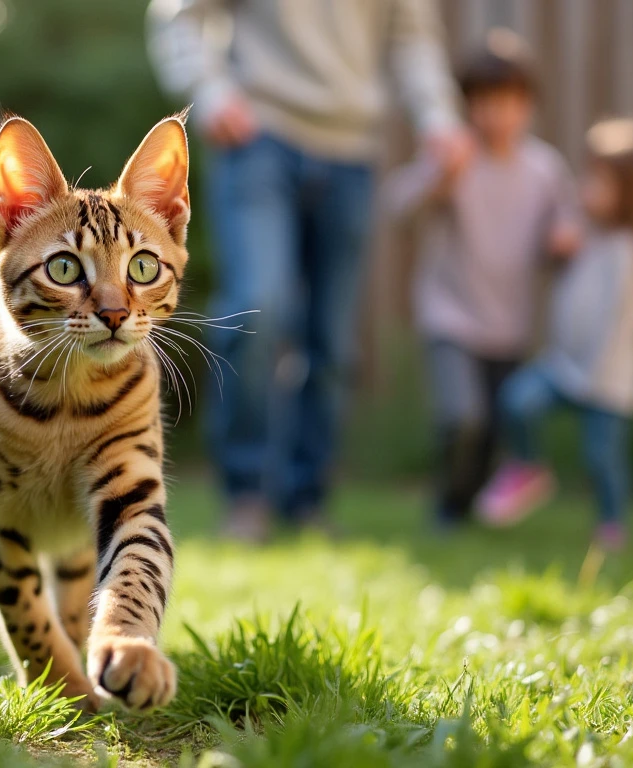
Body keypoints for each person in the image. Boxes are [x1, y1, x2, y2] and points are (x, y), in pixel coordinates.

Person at [147, 0, 465, 541]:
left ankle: (306, 499)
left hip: (351, 151)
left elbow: (413, 38)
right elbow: (180, 14)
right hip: (258, 137)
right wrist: (213, 91)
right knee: (257, 308)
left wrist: (438, 118)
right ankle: (246, 493)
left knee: (332, 341)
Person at [385, 29, 579, 529]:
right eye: (487, 102)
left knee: (490, 430)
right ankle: (447, 510)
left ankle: (470, 509)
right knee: (462, 417)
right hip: (450, 314)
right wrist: (439, 179)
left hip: (509, 323)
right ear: (468, 105)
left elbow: (564, 229)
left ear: (529, 106)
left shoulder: (544, 170)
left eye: (512, 102)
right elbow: (398, 207)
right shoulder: (455, 158)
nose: (499, 115)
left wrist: (562, 239)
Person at [477, 118, 633, 550]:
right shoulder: (590, 236)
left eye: (598, 181)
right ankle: (529, 468)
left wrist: (594, 377)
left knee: (602, 457)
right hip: (564, 363)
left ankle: (611, 526)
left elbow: (618, 323)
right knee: (517, 400)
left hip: (608, 378)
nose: (586, 188)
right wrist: (563, 251)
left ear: (630, 192)